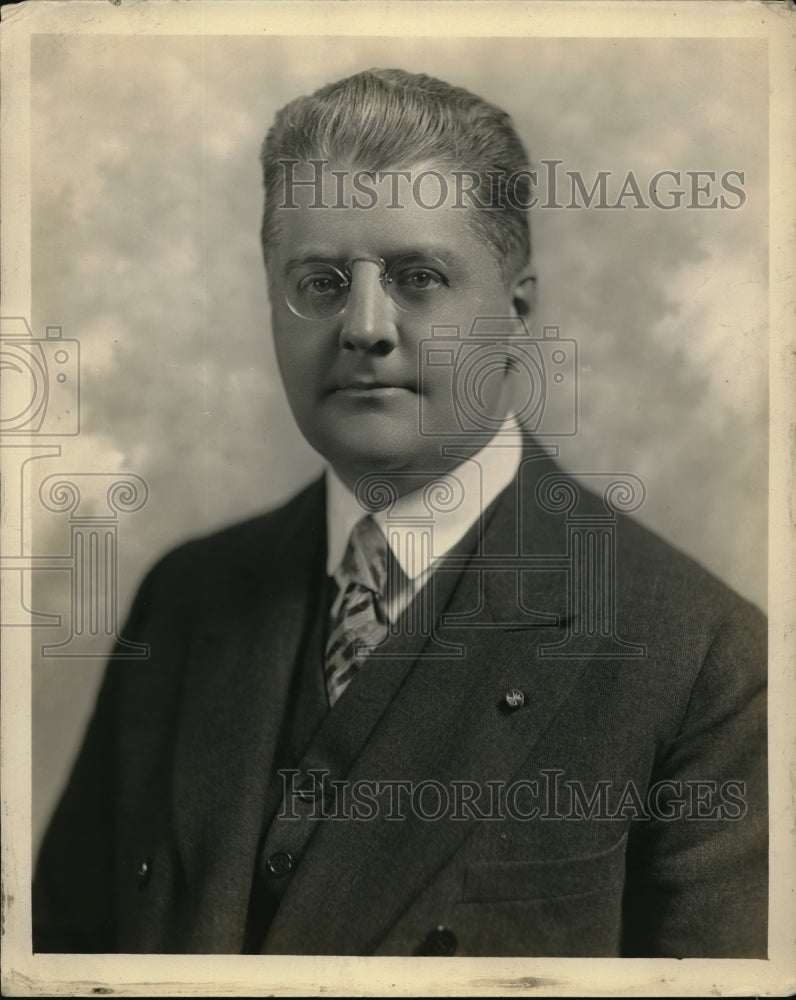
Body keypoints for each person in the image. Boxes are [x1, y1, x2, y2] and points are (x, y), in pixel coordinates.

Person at [32, 68, 767, 958]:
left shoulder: (704, 659)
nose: (365, 326)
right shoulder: (186, 600)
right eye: (320, 282)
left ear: (516, 312)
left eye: (418, 277)